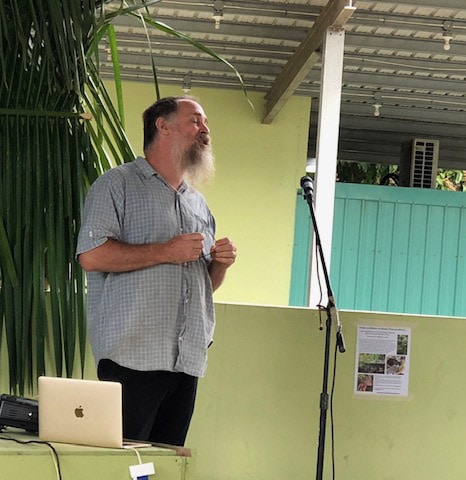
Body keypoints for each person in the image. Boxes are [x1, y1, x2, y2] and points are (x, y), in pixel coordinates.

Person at [76, 96, 237, 446]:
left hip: (186, 361)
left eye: (205, 122)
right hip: (131, 357)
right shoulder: (116, 184)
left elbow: (201, 287)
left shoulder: (198, 203)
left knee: (165, 465)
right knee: (125, 466)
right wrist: (166, 251)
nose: (205, 129)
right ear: (162, 126)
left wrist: (220, 267)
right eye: (196, 120)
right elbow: (91, 256)